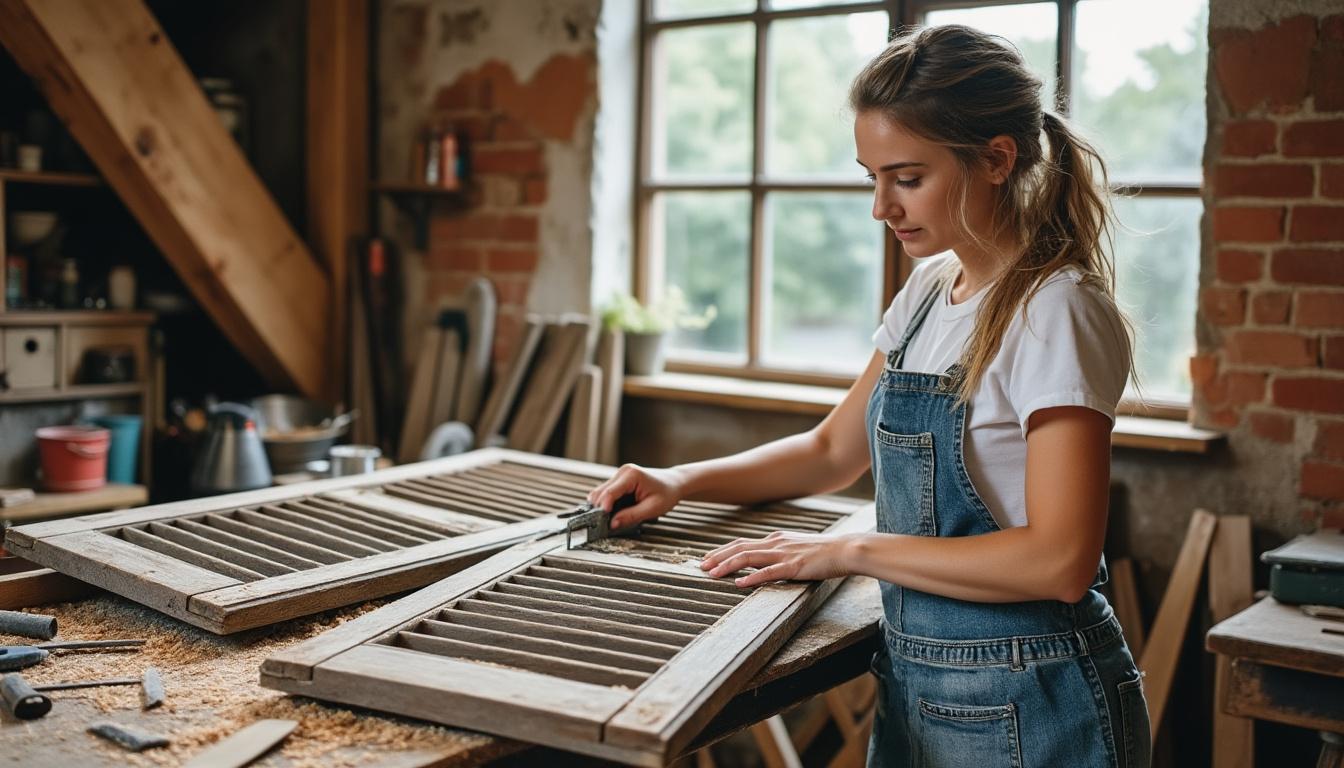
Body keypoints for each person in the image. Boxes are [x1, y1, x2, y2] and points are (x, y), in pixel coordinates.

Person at [587, 23, 1150, 768]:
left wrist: (849, 550)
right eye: (871, 177)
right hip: (920, 688)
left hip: (1037, 701)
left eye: (908, 178)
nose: (882, 206)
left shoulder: (1057, 310)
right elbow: (830, 451)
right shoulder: (925, 293)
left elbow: (1060, 559)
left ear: (996, 160)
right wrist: (681, 481)